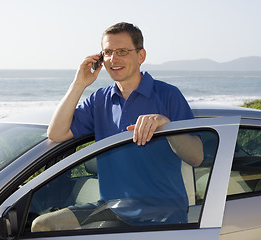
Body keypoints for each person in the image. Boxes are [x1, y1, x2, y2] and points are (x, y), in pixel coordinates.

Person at [31, 22, 203, 232]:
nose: (114, 59)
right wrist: (79, 83)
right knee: (42, 225)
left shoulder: (168, 95)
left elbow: (196, 157)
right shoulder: (99, 100)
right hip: (113, 209)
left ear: (141, 56)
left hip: (163, 215)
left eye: (122, 51)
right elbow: (56, 133)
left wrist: (165, 124)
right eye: (108, 52)